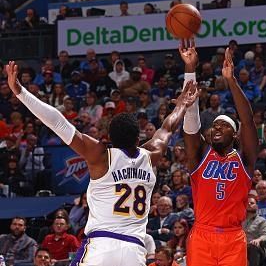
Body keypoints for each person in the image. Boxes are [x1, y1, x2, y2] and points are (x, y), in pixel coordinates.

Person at [5, 61, 199, 266]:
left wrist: (20, 92)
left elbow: (58, 121)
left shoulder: (101, 156)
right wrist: (183, 105)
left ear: (110, 139)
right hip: (134, 250)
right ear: (138, 138)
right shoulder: (151, 154)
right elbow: (168, 127)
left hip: (101, 245)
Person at [179, 38, 258, 266]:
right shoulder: (200, 155)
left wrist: (231, 81)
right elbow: (191, 124)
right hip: (202, 235)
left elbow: (248, 121)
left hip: (233, 236)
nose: (217, 128)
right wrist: (190, 70)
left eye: (224, 125)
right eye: (214, 125)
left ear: (235, 135)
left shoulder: (244, 159)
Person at [242, 196, 266, 266]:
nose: (249, 204)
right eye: (247, 203)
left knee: (253, 246)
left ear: (257, 206)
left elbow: (265, 235)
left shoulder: (262, 220)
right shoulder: (240, 219)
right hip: (241, 247)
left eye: (252, 203)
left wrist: (258, 240)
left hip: (256, 248)